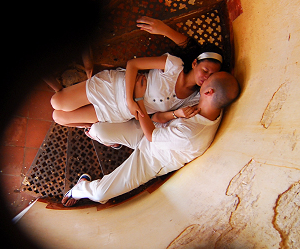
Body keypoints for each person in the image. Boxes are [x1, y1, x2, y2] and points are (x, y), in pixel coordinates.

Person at [61, 70, 240, 206]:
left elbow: (152, 136)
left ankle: (80, 187)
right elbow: (157, 119)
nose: (202, 80)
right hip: (151, 130)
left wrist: (138, 97)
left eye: (206, 81)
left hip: (151, 159)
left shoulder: (191, 134)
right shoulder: (204, 103)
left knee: (101, 194)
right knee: (99, 130)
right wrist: (173, 114)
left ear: (209, 92)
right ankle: (116, 143)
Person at [50, 16, 224, 129]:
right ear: (194, 63)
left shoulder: (192, 98)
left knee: (59, 117)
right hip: (114, 88)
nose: (206, 77)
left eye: (211, 76)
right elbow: (133, 64)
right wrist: (165, 30)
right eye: (205, 70)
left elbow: (157, 117)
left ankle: (91, 127)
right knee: (56, 102)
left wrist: (172, 113)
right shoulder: (174, 65)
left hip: (120, 112)